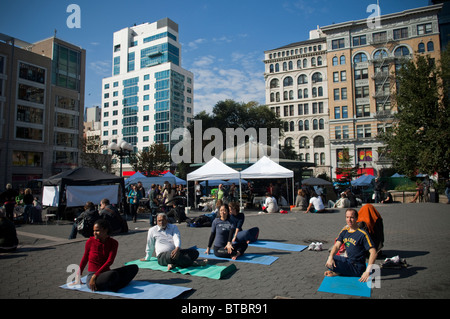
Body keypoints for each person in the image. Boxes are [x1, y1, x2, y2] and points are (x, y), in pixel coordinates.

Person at [73, 219, 138, 292]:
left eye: (97, 231)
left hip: (104, 273)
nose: (95, 233)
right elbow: (85, 258)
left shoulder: (113, 243)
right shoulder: (90, 242)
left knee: (134, 268)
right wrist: (79, 274)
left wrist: (96, 275)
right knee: (113, 275)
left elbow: (110, 261)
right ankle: (115, 284)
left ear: (105, 230)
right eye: (94, 231)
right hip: (93, 276)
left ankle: (114, 284)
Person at [325, 208, 377, 282]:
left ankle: (339, 272)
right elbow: (336, 246)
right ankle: (341, 271)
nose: (349, 220)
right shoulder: (345, 231)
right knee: (329, 260)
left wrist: (367, 272)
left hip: (358, 266)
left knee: (333, 264)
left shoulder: (362, 234)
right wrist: (330, 257)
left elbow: (373, 252)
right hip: (349, 261)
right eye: (347, 217)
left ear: (356, 218)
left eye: (352, 217)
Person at [140, 213, 206, 270]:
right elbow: (150, 245)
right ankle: (193, 263)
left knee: (195, 253)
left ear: (167, 220)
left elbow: (176, 237)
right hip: (162, 256)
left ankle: (174, 264)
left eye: (163, 220)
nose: (161, 222)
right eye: (159, 221)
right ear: (156, 221)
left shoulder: (173, 227)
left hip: (176, 251)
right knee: (172, 256)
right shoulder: (152, 230)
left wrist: (177, 248)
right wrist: (147, 257)